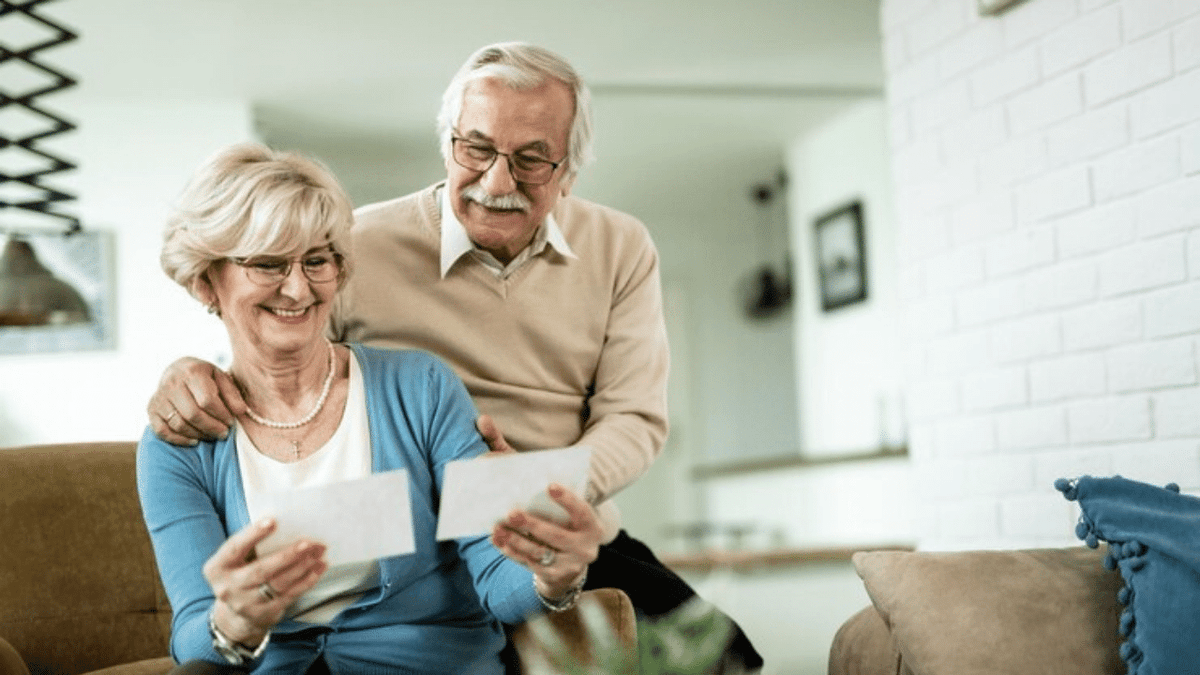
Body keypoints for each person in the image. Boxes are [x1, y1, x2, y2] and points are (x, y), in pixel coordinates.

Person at [148, 42, 763, 672]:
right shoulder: (357, 243)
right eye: (477, 148)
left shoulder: (619, 246)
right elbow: (278, 348)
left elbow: (633, 420)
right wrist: (187, 373)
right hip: (407, 531)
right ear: (447, 144)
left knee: (723, 657)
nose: (497, 182)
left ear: (568, 171)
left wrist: (528, 491)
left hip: (540, 519)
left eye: (531, 159)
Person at [140, 142, 603, 674]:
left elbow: (498, 578)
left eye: (317, 260)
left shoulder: (420, 388)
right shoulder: (179, 444)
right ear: (206, 282)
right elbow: (194, 635)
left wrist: (553, 572)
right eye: (268, 264)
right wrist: (233, 623)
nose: (298, 288)